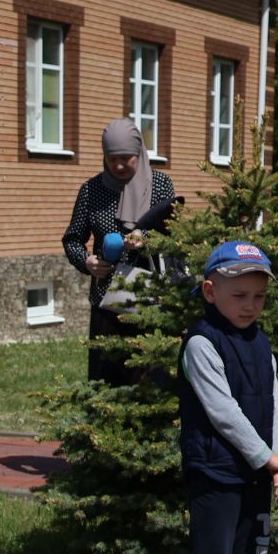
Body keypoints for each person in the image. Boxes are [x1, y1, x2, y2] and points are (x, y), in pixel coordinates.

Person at [170, 240, 278, 554]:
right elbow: (224, 413)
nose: (250, 306)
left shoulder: (261, 344)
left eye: (258, 297)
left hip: (255, 475)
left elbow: (275, 401)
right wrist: (266, 457)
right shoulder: (202, 343)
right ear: (209, 292)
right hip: (216, 473)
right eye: (239, 296)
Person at [62, 118, 179, 384]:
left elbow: (174, 232)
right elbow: (72, 239)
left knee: (150, 379)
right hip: (107, 302)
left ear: (139, 153)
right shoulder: (91, 190)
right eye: (111, 158)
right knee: (106, 381)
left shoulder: (160, 185)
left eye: (126, 158)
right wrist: (87, 262)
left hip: (150, 299)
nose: (118, 166)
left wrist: (145, 236)